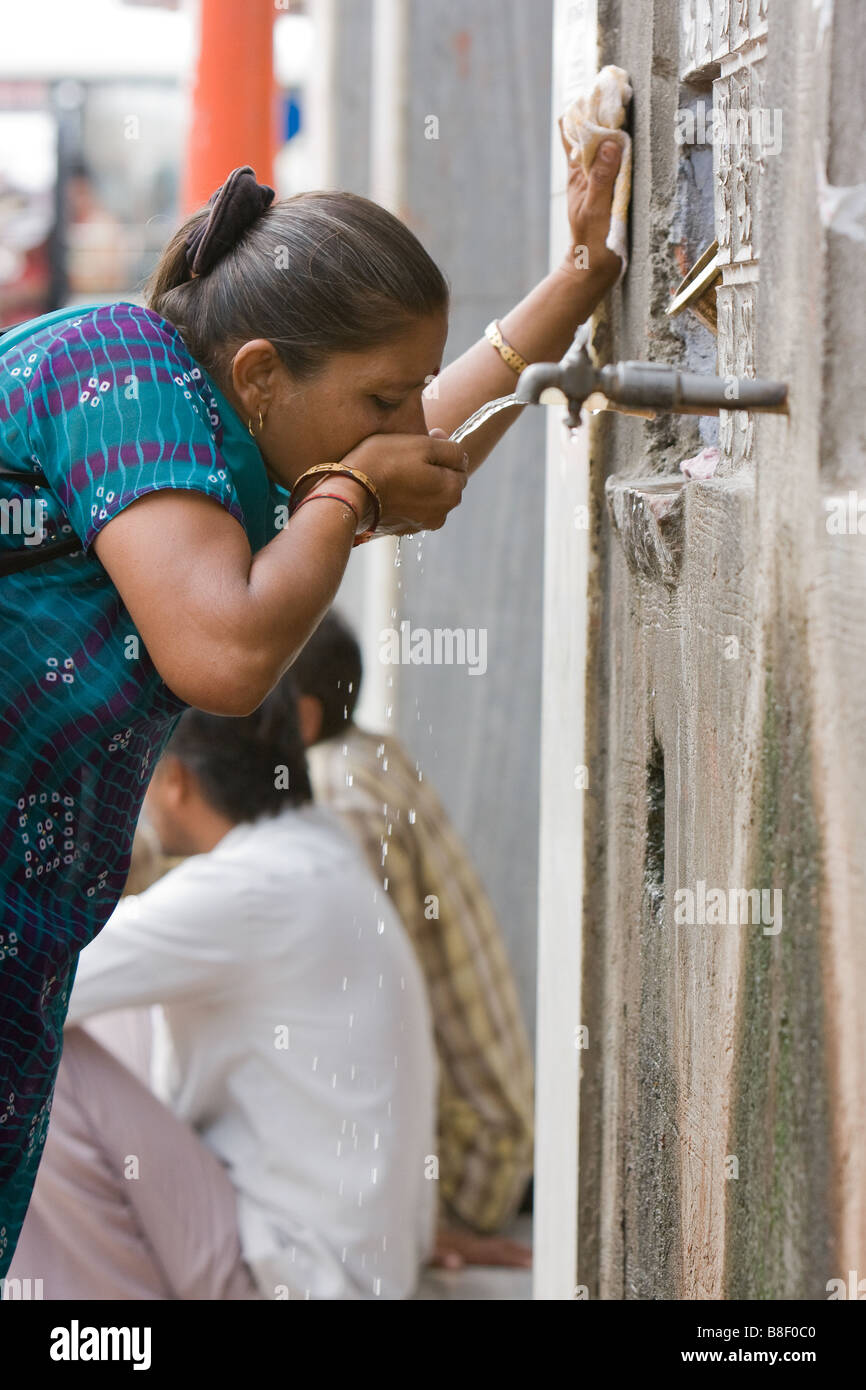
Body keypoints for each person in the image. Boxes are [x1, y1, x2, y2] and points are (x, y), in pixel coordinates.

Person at [0, 137, 624, 1283]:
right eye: (372, 399)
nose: (389, 428)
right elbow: (226, 653)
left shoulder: (230, 455)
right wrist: (346, 494)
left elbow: (423, 437)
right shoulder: (123, 368)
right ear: (258, 379)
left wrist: (578, 280)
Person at [7, 676, 437, 1300]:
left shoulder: (251, 891)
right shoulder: (313, 848)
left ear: (175, 781)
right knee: (106, 1019)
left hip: (294, 1274)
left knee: (36, 1041)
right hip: (342, 1256)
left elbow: (33, 975)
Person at [291, 611, 535, 1259]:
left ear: (302, 719)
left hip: (466, 1167)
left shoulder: (341, 803)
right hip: (486, 1136)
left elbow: (364, 1031)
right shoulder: (364, 755)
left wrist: (404, 1225)